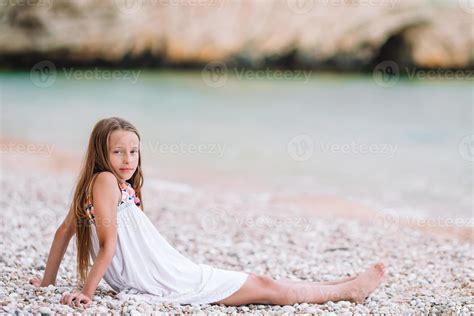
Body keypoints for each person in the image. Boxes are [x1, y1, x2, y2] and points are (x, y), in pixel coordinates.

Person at [29, 117, 385, 309]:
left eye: (134, 152)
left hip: (165, 270)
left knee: (260, 282)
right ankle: (347, 291)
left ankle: (342, 285)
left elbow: (64, 232)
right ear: (101, 153)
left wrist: (47, 282)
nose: (128, 160)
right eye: (119, 152)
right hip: (162, 278)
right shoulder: (105, 181)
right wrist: (87, 293)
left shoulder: (109, 185)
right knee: (263, 285)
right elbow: (107, 245)